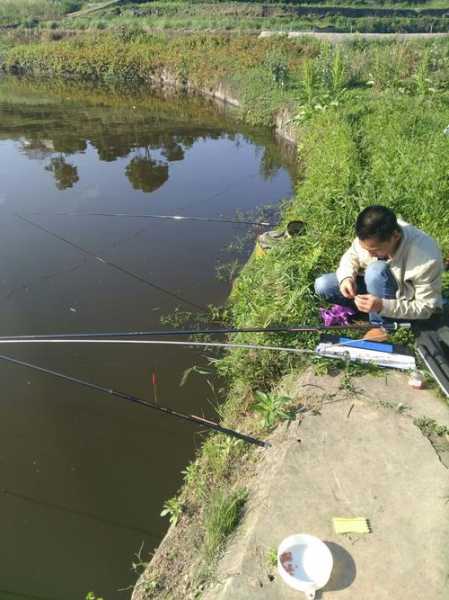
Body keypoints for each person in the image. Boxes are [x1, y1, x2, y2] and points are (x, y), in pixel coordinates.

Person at [314, 205, 444, 324]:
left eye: (375, 250)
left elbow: (427, 307)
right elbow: (351, 255)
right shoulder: (370, 232)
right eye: (365, 249)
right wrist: (346, 278)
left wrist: (382, 306)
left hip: (400, 299)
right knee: (323, 285)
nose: (369, 255)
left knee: (375, 271)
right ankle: (367, 307)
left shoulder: (427, 259)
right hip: (374, 285)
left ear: (395, 236)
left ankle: (379, 325)